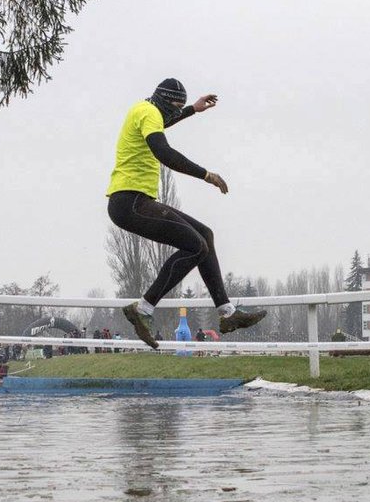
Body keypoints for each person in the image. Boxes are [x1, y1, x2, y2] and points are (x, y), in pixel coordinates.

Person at [107, 78, 267, 350]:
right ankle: (143, 309)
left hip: (135, 201)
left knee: (205, 234)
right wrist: (205, 175)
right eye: (174, 107)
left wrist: (193, 109)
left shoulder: (148, 111)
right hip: (129, 203)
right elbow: (164, 152)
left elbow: (164, 122)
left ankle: (228, 314)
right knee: (195, 245)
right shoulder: (148, 112)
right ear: (162, 101)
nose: (173, 113)